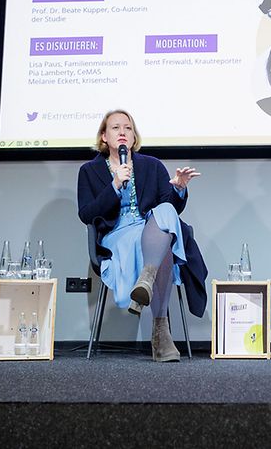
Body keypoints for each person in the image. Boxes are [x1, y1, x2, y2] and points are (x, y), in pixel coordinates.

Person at [77, 110, 208, 362]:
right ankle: (161, 333)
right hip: (116, 234)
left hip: (150, 229)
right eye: (116, 128)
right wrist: (114, 185)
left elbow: (170, 209)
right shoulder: (89, 171)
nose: (123, 132)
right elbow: (86, 214)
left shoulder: (152, 165)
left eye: (128, 128)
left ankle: (147, 277)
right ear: (104, 136)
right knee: (166, 247)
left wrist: (179, 189)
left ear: (133, 135)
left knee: (167, 212)